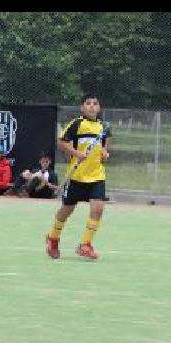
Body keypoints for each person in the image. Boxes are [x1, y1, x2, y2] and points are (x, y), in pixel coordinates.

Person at [45, 94, 111, 260]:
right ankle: (53, 237)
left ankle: (85, 244)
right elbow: (61, 142)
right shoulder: (76, 124)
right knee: (66, 211)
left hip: (97, 176)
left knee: (98, 208)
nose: (91, 106)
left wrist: (104, 152)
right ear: (82, 107)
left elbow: (104, 145)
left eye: (95, 103)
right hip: (76, 176)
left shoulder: (104, 127)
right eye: (88, 103)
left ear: (99, 107)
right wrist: (75, 152)